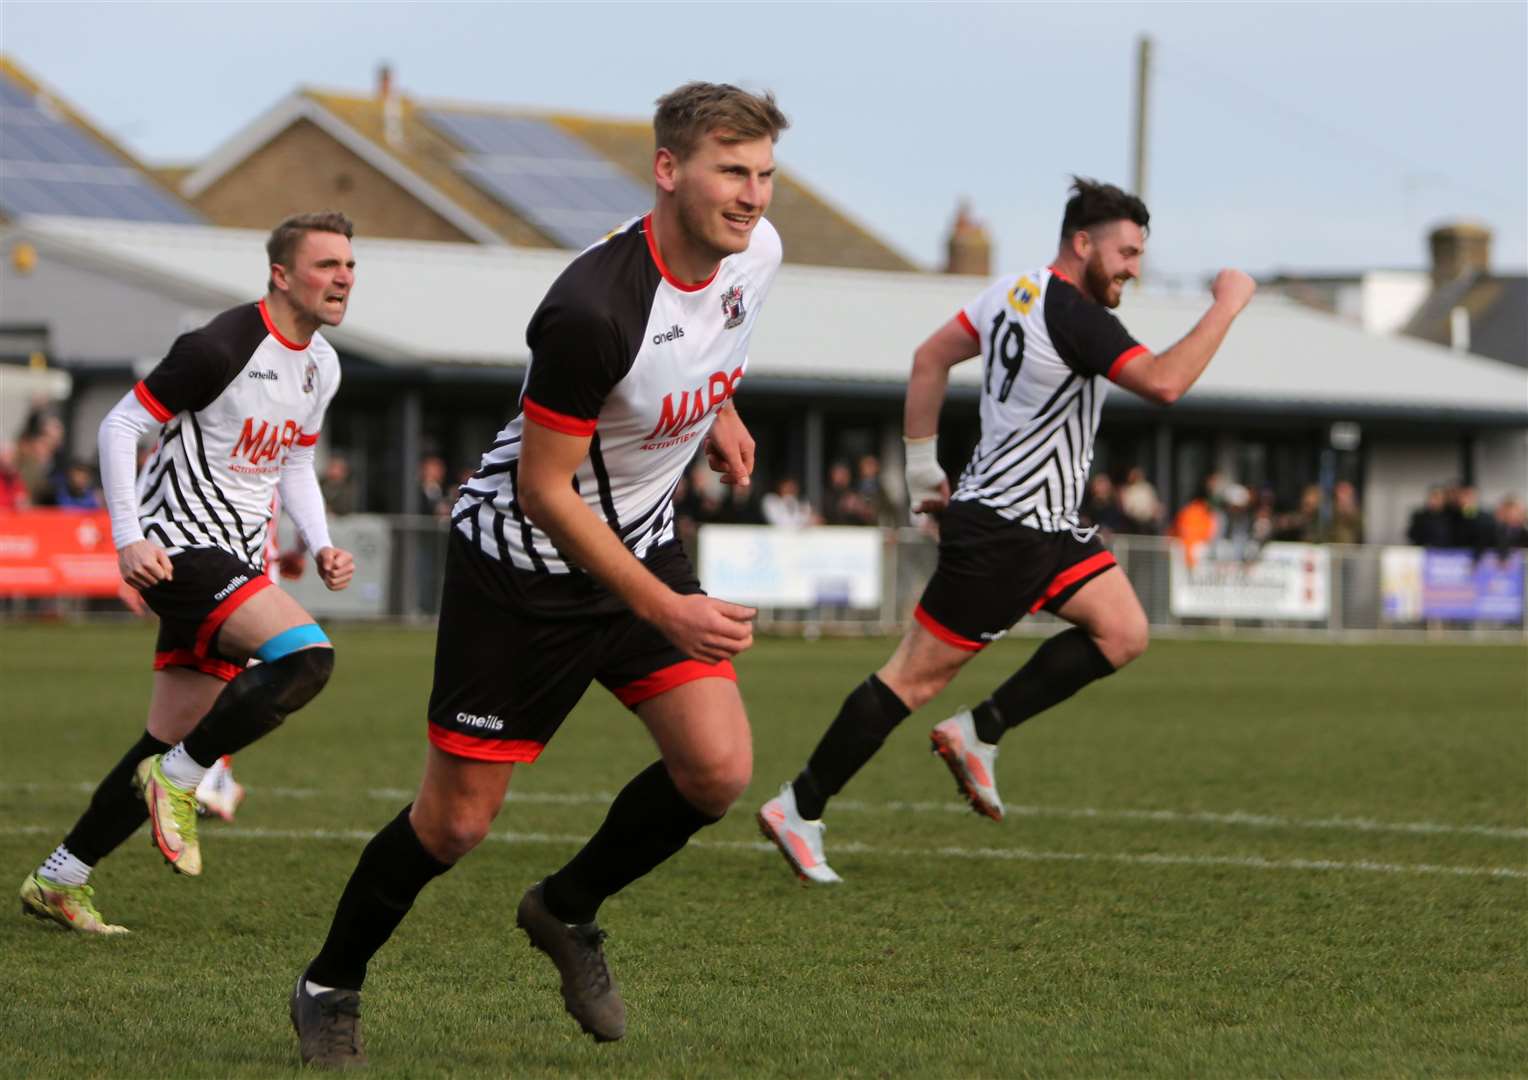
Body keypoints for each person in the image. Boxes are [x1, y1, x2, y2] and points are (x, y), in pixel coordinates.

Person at [289, 81, 787, 1068]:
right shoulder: (590, 310)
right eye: (731, 171)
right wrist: (666, 609)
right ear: (667, 171)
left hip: (638, 544)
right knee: (455, 822)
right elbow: (547, 490)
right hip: (523, 571)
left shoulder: (755, 254)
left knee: (717, 769)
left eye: (765, 173)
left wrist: (717, 410)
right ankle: (329, 982)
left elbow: (708, 341)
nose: (753, 195)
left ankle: (565, 910)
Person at [758, 177, 1255, 883]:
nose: (1133, 270)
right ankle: (799, 807)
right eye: (1125, 252)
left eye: (1140, 255)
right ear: (1082, 243)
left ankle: (980, 730)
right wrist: (1228, 304)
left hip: (1046, 526)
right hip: (1004, 536)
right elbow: (1167, 382)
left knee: (1123, 632)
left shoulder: (1011, 292)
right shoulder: (1077, 314)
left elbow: (930, 356)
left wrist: (927, 474)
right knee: (909, 680)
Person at [18, 211, 357, 934]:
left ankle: (60, 878)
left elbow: (294, 458)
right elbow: (119, 426)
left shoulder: (322, 364)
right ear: (282, 274)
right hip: (181, 551)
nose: (343, 279)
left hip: (236, 557)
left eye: (349, 266)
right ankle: (178, 779)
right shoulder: (221, 345)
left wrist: (320, 539)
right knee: (309, 659)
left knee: (164, 733)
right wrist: (128, 539)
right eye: (327, 265)